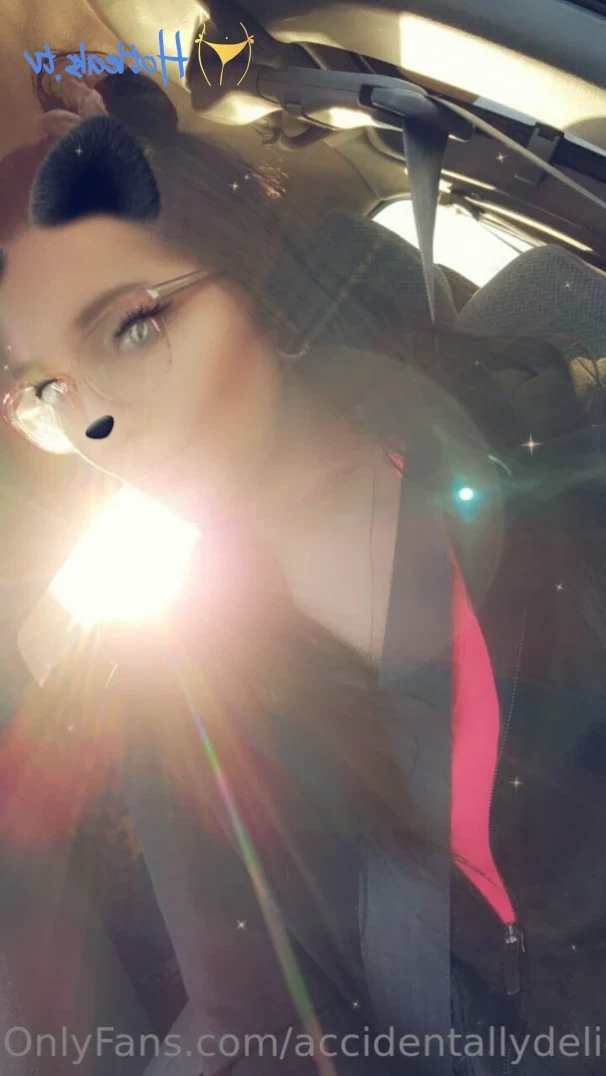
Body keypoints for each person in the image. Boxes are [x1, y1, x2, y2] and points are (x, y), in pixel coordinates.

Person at [1, 71, 606, 1076]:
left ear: (245, 279)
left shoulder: (535, 448)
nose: (96, 423)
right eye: (48, 389)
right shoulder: (176, 686)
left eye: (134, 327)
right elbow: (262, 1013)